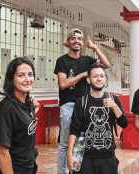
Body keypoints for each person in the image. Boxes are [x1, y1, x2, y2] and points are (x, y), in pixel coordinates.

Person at [54, 28, 110, 174]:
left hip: (85, 105)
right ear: (68, 42)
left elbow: (106, 64)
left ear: (82, 43)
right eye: (73, 38)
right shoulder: (62, 61)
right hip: (69, 105)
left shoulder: (87, 60)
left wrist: (95, 47)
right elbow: (63, 84)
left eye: (79, 39)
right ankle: (62, 172)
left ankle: (77, 170)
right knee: (65, 143)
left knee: (81, 141)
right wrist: (83, 74)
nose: (76, 41)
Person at [67, 63, 128, 174]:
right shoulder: (81, 102)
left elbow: (124, 123)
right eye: (95, 76)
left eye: (101, 76)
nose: (99, 79)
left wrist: (114, 106)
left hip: (108, 157)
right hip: (86, 157)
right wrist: (69, 155)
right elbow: (73, 129)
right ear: (89, 80)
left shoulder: (114, 99)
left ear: (105, 79)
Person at [0, 57, 40, 174]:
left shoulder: (27, 104)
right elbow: (1, 152)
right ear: (12, 79)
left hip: (27, 168)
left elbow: (22, 127)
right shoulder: (6, 108)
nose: (27, 79)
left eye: (30, 74)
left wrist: (33, 111)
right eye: (21, 75)